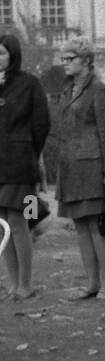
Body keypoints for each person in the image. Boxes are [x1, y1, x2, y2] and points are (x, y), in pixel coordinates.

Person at [55, 39, 105, 301]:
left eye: (70, 58)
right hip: (70, 168)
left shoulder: (98, 90)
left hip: (93, 167)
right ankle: (92, 284)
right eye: (63, 59)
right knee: (80, 226)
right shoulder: (67, 89)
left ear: (86, 60)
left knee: (97, 227)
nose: (65, 63)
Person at [0, 34, 51, 301]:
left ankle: (25, 284)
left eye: (1, 53)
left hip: (20, 162)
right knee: (2, 225)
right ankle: (12, 284)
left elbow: (41, 123)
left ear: (13, 56)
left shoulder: (29, 83)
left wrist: (29, 149)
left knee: (20, 222)